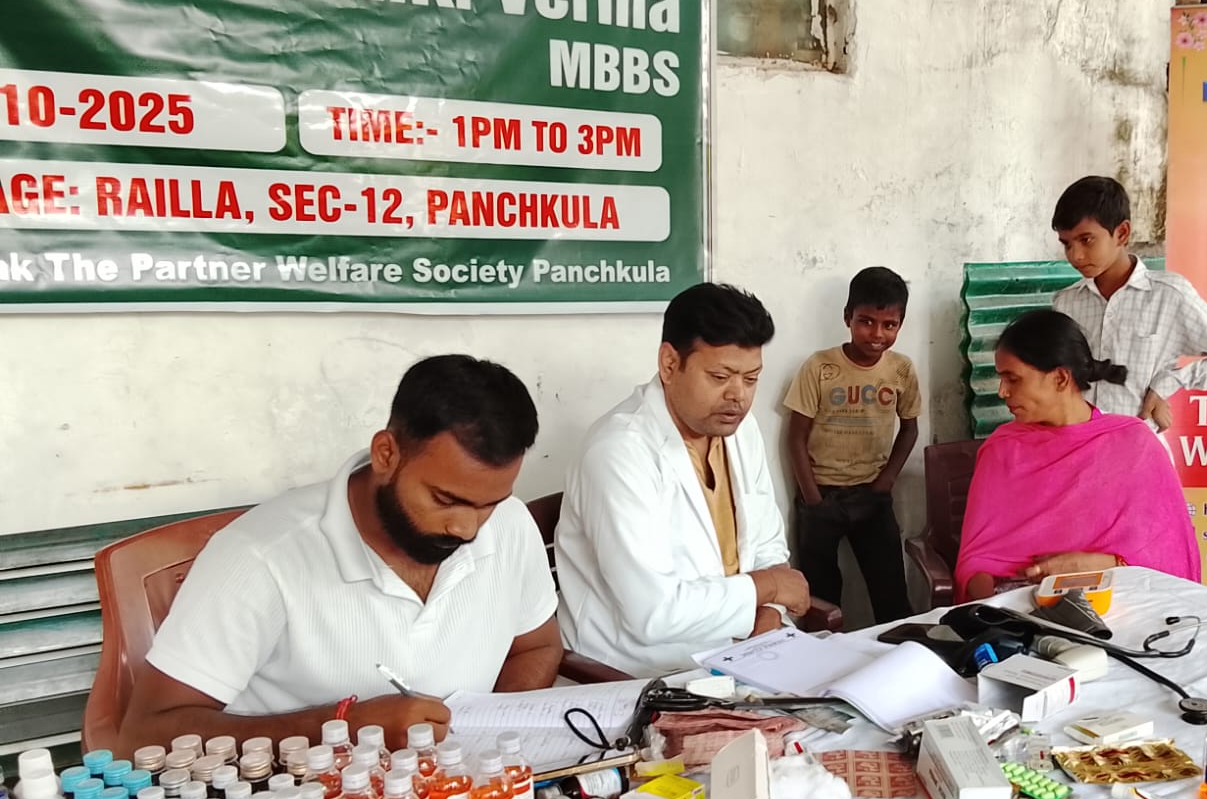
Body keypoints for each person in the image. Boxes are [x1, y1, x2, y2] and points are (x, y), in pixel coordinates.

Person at [116, 355, 563, 758]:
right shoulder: (261, 556)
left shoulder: (509, 524)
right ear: (386, 454)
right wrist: (342, 728)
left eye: (488, 505)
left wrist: (486, 740)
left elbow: (537, 647)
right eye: (445, 500)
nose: (467, 529)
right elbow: (143, 734)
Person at [556, 283, 811, 676]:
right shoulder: (617, 451)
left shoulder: (739, 430)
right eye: (720, 376)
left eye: (751, 379)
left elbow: (768, 547)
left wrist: (769, 614)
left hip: (742, 652)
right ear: (669, 364)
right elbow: (653, 612)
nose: (738, 396)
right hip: (637, 673)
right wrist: (770, 588)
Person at [954, 310, 1201, 600]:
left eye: (1013, 379)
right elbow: (976, 560)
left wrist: (1101, 566)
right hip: (1018, 608)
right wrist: (992, 610)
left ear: (1060, 378)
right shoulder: (1002, 449)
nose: (1002, 392)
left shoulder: (1134, 444)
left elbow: (1172, 555)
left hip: (1124, 602)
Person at [1051, 175, 1207, 431]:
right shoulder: (1066, 303)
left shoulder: (1168, 296)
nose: (1076, 256)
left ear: (1122, 233)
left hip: (1137, 445)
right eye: (1066, 244)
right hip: (1078, 443)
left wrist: (1168, 383)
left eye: (1086, 240)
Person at [784, 267, 921, 623]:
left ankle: (898, 654)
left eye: (889, 325)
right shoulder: (819, 367)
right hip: (822, 496)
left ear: (900, 324)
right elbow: (796, 436)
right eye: (866, 322)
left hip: (872, 496)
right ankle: (821, 656)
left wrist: (885, 482)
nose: (877, 334)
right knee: (821, 602)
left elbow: (909, 429)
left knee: (891, 594)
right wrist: (813, 498)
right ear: (848, 317)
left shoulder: (902, 370)